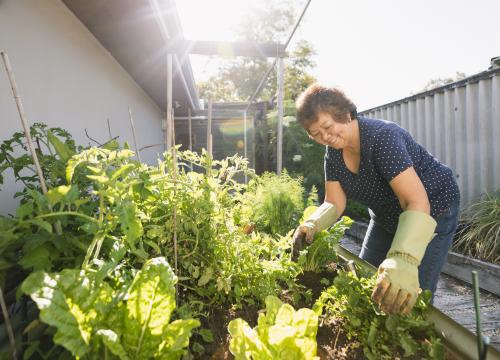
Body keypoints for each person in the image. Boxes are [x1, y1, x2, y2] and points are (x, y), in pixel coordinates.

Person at [292, 84, 460, 315]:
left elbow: (415, 200)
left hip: (432, 209)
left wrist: (403, 258)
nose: (326, 137)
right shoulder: (333, 155)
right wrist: (312, 224)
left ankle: (414, 339)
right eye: (316, 135)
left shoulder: (382, 138)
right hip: (386, 215)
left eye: (327, 127)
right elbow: (334, 202)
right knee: (364, 279)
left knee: (407, 293)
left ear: (346, 114)